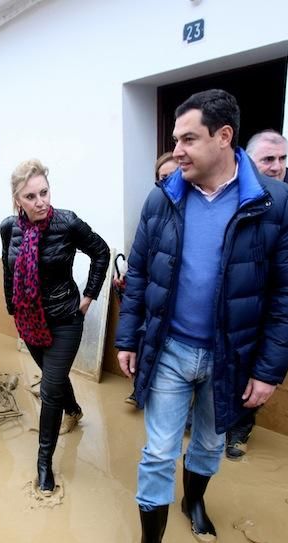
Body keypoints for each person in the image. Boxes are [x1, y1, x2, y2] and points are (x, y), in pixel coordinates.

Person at [116, 89, 288, 543]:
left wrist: (268, 370)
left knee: (207, 443)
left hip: (232, 355)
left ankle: (193, 504)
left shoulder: (276, 204)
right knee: (158, 450)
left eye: (188, 139)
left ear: (224, 137)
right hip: (171, 350)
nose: (177, 150)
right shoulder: (164, 197)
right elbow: (138, 273)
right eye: (175, 139)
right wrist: (127, 336)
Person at [1, 159, 110, 497]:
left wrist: (88, 297)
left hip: (65, 318)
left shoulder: (67, 223)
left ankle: (44, 464)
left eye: (44, 192)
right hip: (29, 320)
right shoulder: (9, 227)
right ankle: (75, 411)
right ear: (18, 200)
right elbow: (8, 269)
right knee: (56, 378)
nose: (40, 202)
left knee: (49, 389)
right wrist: (12, 308)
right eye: (30, 196)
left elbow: (101, 252)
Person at [223, 130, 288, 459]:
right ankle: (209, 416)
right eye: (268, 159)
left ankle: (241, 426)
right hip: (237, 299)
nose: (277, 166)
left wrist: (287, 291)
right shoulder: (235, 193)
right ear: (249, 159)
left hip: (272, 304)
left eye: (283, 158)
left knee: (258, 366)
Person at [120, 152, 180, 407]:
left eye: (174, 176)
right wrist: (125, 341)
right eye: (163, 177)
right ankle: (140, 390)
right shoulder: (153, 207)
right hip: (153, 306)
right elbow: (138, 269)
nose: (169, 182)